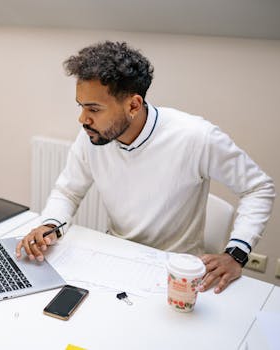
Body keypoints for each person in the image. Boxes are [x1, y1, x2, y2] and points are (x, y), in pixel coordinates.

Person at [16, 41, 275, 294]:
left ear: (133, 105)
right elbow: (68, 191)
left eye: (93, 108)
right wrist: (48, 225)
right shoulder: (91, 135)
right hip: (115, 258)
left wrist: (237, 253)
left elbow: (258, 188)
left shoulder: (196, 137)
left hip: (175, 272)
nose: (83, 119)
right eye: (81, 106)